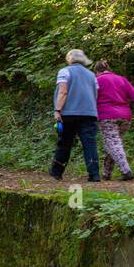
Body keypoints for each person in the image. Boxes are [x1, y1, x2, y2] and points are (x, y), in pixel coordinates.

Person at [50, 49, 101, 182]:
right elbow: (95, 94)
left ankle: (56, 172)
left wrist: (57, 110)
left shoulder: (65, 71)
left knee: (65, 142)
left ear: (69, 59)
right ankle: (94, 174)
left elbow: (63, 92)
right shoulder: (91, 75)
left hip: (69, 113)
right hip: (89, 113)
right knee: (89, 144)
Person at [94, 59, 134, 180]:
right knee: (113, 144)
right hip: (125, 117)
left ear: (97, 71)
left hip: (106, 116)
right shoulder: (121, 79)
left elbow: (92, 98)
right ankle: (106, 174)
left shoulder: (97, 80)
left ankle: (126, 171)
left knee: (113, 144)